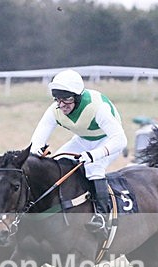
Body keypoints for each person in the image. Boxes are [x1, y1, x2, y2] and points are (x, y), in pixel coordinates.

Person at [29, 69, 128, 236]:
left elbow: (120, 140)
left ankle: (102, 218)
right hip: (83, 140)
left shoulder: (97, 108)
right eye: (58, 100)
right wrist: (37, 151)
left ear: (77, 96)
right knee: (56, 165)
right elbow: (36, 141)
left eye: (66, 100)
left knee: (93, 168)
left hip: (108, 141)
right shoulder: (55, 110)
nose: (61, 105)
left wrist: (94, 154)